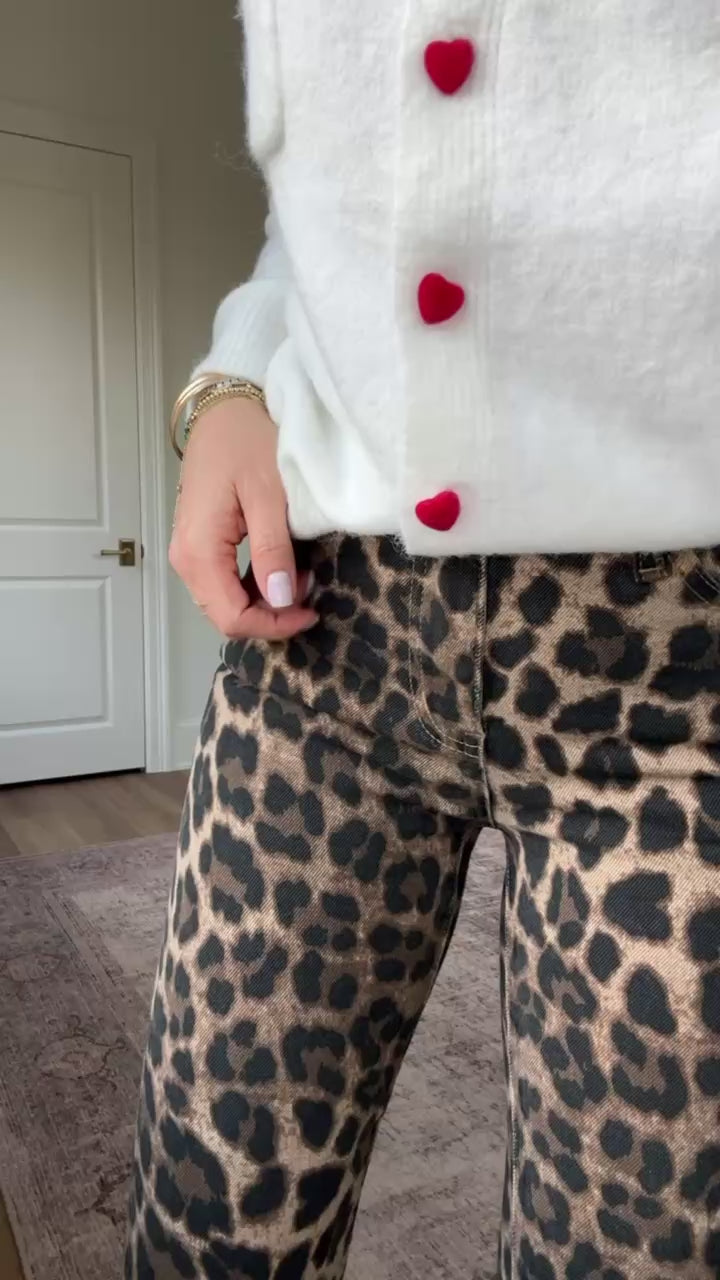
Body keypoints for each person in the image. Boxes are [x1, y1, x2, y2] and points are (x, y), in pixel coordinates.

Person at [125, 4, 720, 1278]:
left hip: (680, 686)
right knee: (205, 1219)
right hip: (328, 635)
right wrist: (236, 372)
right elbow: (336, 189)